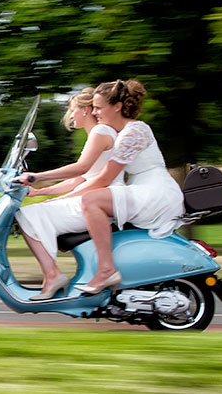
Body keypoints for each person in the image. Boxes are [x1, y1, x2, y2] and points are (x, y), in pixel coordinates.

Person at [75, 79, 185, 294]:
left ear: (117, 107)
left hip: (156, 193)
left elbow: (105, 178)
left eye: (98, 107)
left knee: (91, 200)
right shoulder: (121, 133)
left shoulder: (133, 132)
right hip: (143, 188)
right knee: (94, 201)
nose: (94, 112)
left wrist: (68, 197)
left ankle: (106, 270)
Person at [13, 88, 124, 300]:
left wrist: (37, 176)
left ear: (86, 110)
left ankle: (52, 275)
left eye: (73, 110)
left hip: (97, 201)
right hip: (96, 196)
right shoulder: (98, 134)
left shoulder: (101, 133)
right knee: (34, 211)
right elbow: (78, 180)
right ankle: (52, 275)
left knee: (26, 215)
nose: (71, 115)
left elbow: (80, 169)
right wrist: (39, 193)